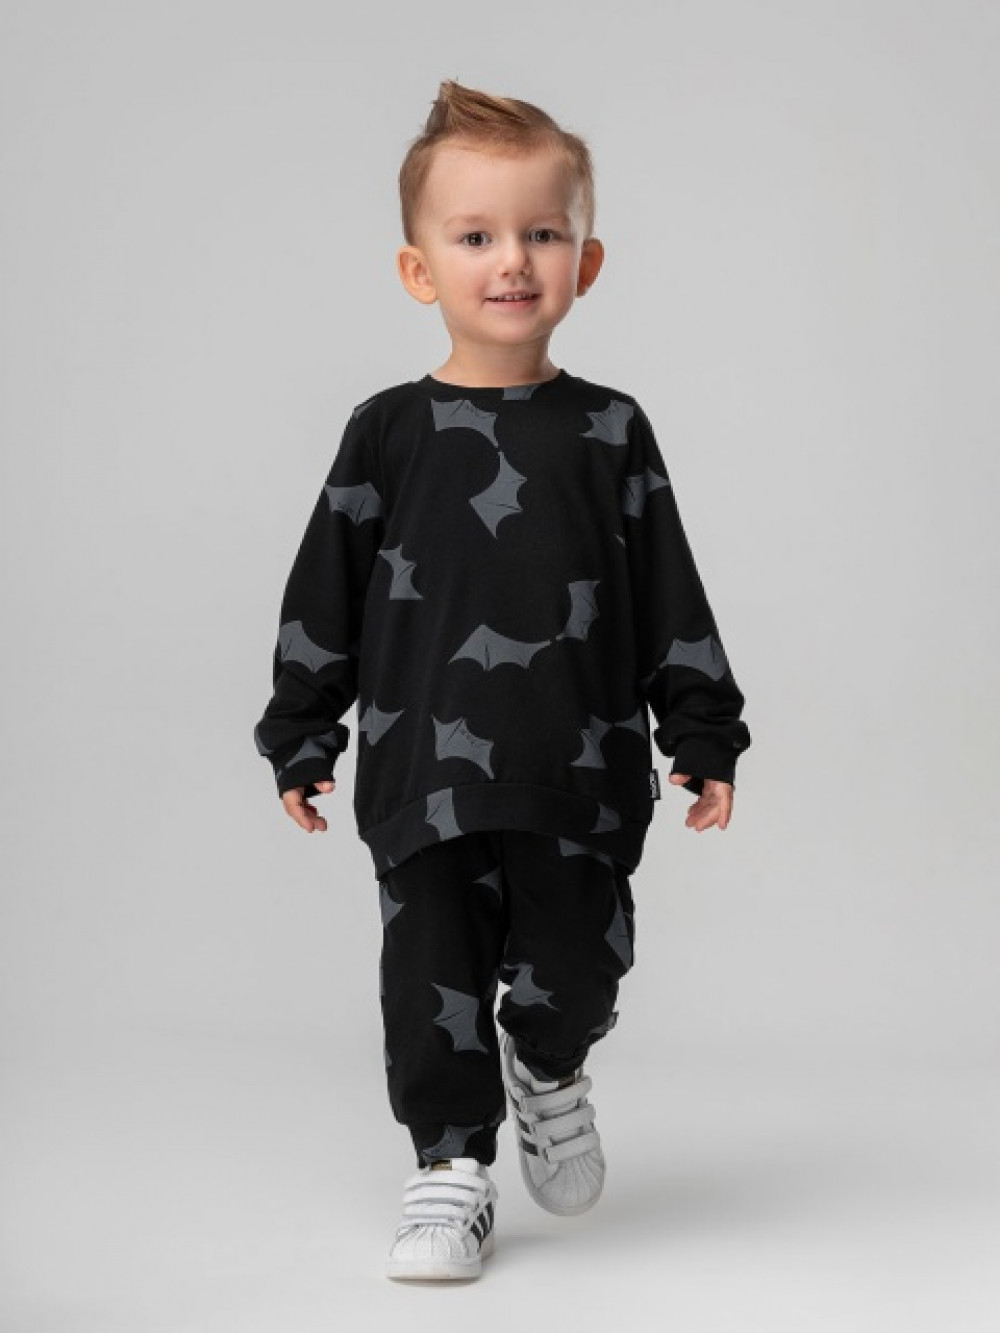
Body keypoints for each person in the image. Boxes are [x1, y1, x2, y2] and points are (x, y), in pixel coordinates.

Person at [253, 78, 751, 1282]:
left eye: (541, 232)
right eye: (475, 236)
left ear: (587, 260)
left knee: (578, 963)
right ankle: (449, 1167)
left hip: (580, 774)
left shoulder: (610, 431)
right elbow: (324, 589)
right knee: (427, 975)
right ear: (418, 269)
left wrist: (701, 729)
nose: (512, 260)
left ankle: (549, 1058)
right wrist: (302, 732)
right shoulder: (386, 432)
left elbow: (666, 588)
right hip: (423, 772)